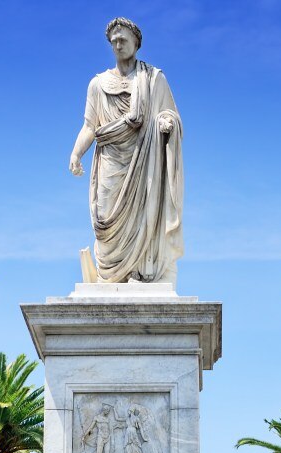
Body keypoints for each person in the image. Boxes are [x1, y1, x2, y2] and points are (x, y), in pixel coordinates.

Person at [69, 17, 184, 285]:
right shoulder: (97, 84)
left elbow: (170, 113)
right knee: (104, 221)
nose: (118, 45)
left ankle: (139, 271)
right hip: (110, 160)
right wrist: (76, 154)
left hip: (145, 161)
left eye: (123, 40)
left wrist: (167, 122)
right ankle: (110, 276)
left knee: (144, 217)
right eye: (114, 41)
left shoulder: (154, 79)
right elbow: (89, 125)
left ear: (136, 43)